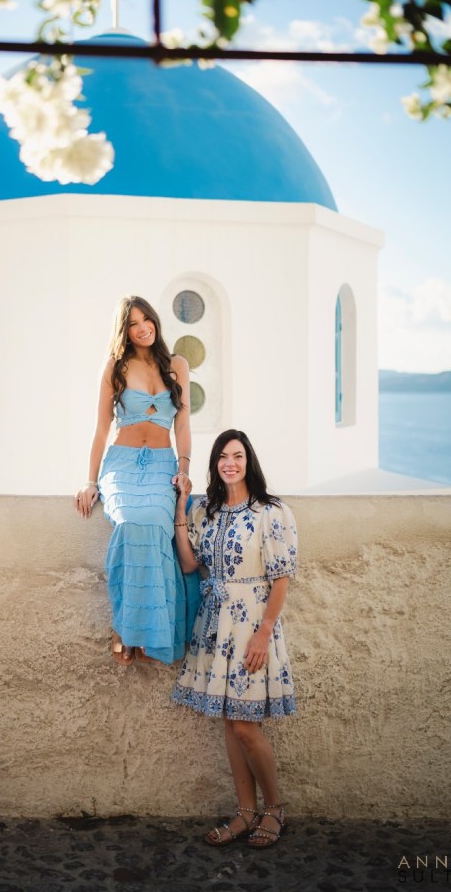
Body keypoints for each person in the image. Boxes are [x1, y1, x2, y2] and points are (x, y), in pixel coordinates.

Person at [172, 429, 297, 849]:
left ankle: (274, 809)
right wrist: (181, 507)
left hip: (251, 628)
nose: (230, 463)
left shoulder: (271, 511)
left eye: (238, 456)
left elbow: (281, 578)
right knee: (230, 721)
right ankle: (246, 812)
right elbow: (191, 564)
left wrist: (264, 634)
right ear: (214, 463)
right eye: (223, 456)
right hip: (215, 625)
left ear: (249, 461)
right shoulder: (205, 510)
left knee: (245, 726)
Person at [75, 295, 194, 665]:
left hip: (162, 464)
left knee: (157, 521)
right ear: (123, 330)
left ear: (155, 322)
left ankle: (150, 633)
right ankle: (125, 628)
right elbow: (100, 428)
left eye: (147, 320)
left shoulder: (177, 365)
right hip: (122, 464)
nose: (143, 327)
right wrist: (90, 481)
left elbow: (183, 424)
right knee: (128, 522)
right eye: (133, 323)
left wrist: (185, 469)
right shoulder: (114, 367)